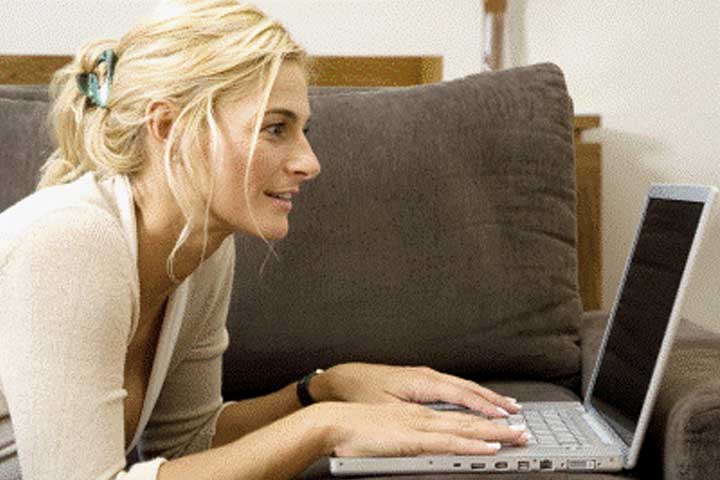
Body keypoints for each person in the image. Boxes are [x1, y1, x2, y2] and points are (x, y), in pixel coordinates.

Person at [0, 1, 529, 479]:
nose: (309, 162)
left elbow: (190, 445)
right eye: (276, 128)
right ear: (168, 127)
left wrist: (323, 388)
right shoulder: (70, 240)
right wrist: (323, 427)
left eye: (304, 130)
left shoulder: (201, 244)